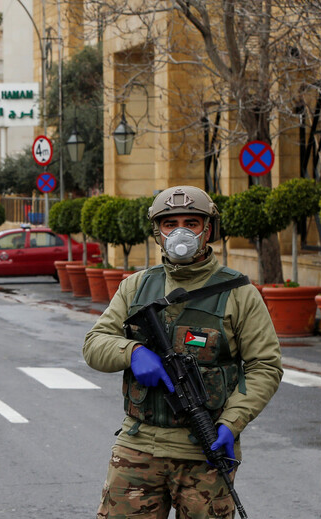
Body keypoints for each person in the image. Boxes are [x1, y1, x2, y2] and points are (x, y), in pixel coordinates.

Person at [82, 185, 282, 519]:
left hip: (205, 450)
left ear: (208, 231)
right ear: (157, 233)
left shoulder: (239, 293)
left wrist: (232, 423)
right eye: (169, 223)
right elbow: (94, 344)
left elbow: (265, 366)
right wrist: (131, 352)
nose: (180, 231)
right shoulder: (136, 287)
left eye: (192, 222)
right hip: (138, 446)